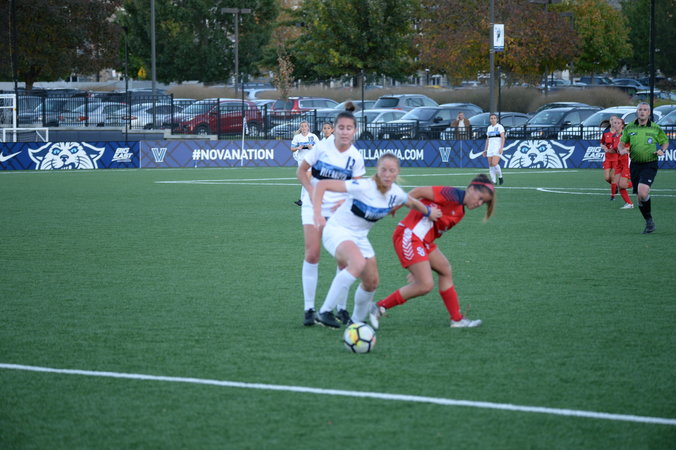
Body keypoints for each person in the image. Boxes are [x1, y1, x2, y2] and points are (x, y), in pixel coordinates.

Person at [311, 153, 442, 329]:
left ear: (397, 172)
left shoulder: (396, 193)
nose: (387, 174)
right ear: (377, 170)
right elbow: (322, 185)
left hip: (360, 237)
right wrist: (317, 214)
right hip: (338, 230)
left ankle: (356, 322)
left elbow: (411, 202)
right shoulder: (364, 186)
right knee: (357, 263)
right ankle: (324, 312)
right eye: (383, 170)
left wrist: (428, 212)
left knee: (371, 282)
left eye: (391, 170)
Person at [371, 174, 495, 329]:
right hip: (409, 235)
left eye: (483, 202)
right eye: (480, 198)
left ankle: (457, 320)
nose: (479, 203)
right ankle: (379, 307)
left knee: (445, 269)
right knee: (425, 285)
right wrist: (397, 206)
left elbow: (432, 231)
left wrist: (420, 263)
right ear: (471, 189)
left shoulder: (460, 212)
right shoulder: (450, 194)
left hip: (423, 242)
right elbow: (418, 192)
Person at [296, 112, 366, 326]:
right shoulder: (321, 148)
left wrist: (344, 202)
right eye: (341, 127)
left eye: (349, 128)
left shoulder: (355, 157)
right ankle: (309, 309)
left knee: (343, 259)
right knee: (312, 253)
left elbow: (356, 187)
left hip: (339, 210)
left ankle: (341, 308)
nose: (344, 131)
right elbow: (301, 171)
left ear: (354, 131)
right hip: (313, 205)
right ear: (334, 129)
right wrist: (310, 191)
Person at [619, 102, 669, 234]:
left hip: (649, 164)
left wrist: (662, 150)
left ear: (649, 113)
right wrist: (622, 149)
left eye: (645, 110)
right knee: (639, 198)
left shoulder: (655, 128)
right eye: (640, 109)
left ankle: (649, 220)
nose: (642, 112)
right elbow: (621, 143)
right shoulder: (630, 127)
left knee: (642, 192)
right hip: (635, 165)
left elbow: (665, 142)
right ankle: (649, 221)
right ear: (637, 112)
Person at [605, 116, 634, 209]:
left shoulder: (625, 135)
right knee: (617, 184)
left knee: (622, 184)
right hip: (619, 162)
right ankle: (629, 203)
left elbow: (632, 146)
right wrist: (609, 150)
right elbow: (615, 150)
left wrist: (626, 149)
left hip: (626, 161)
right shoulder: (614, 137)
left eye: (618, 123)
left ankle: (639, 183)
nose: (615, 124)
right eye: (614, 123)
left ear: (622, 125)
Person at [290, 121, 319, 207]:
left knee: (307, 179)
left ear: (308, 127)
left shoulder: (313, 136)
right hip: (301, 160)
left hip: (311, 160)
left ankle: (303, 200)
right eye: (302, 126)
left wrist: (311, 147)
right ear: (300, 128)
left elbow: (319, 148)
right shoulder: (297, 137)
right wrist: (298, 148)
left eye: (305, 126)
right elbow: (292, 148)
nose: (304, 128)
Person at [600, 117, 620, 200]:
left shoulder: (620, 132)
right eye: (612, 120)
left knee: (613, 177)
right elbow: (602, 143)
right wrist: (604, 147)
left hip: (617, 158)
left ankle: (613, 195)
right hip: (608, 157)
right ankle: (615, 185)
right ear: (610, 122)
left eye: (615, 120)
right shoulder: (606, 132)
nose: (613, 122)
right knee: (607, 178)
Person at [482, 113, 505, 185]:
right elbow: (487, 139)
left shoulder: (500, 127)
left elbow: (503, 138)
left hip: (497, 148)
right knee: (490, 165)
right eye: (491, 118)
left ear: (497, 119)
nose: (493, 119)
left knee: (494, 163)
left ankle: (500, 177)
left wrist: (501, 147)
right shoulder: (489, 128)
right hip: (490, 149)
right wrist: (485, 149)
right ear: (489, 120)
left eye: (494, 118)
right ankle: (493, 181)